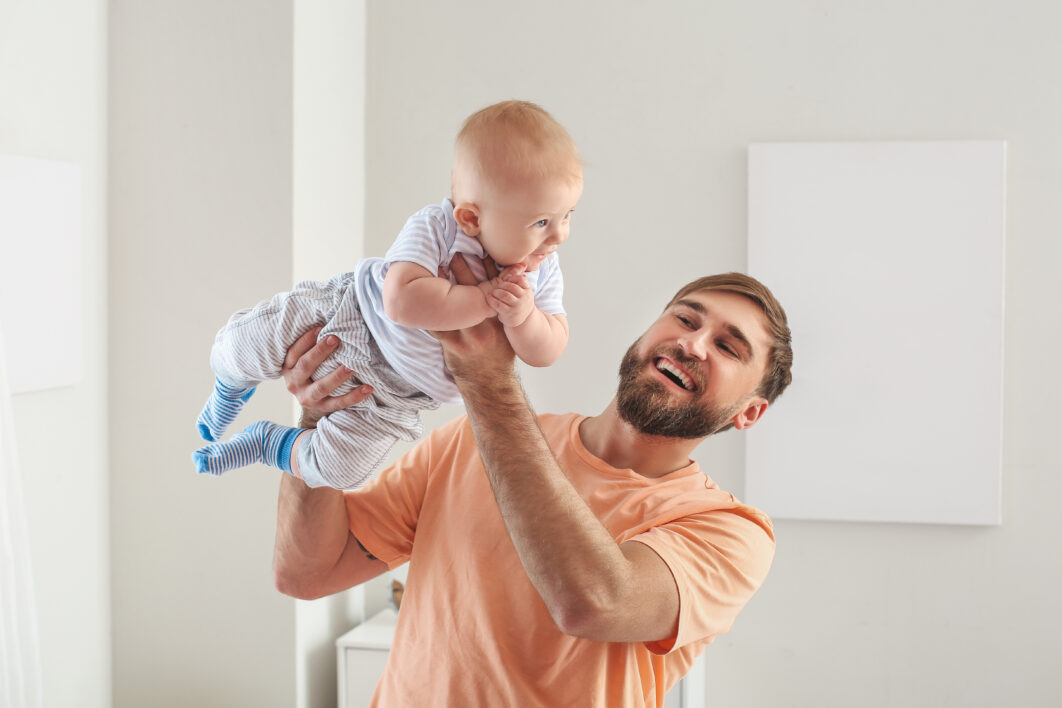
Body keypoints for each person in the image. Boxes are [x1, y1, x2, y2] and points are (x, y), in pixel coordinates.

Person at [273, 256, 794, 707]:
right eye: (685, 318)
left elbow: (593, 602)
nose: (694, 343)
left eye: (729, 347)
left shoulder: (730, 532)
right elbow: (306, 573)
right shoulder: (469, 442)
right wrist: (319, 423)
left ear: (748, 414)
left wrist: (488, 380)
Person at [192, 100, 583, 489]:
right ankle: (230, 386)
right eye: (542, 222)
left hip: (393, 396)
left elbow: (548, 348)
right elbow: (401, 301)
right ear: (471, 218)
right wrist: (482, 299)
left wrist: (524, 318)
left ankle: (265, 444)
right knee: (245, 345)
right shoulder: (440, 228)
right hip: (349, 322)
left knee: (341, 472)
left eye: (567, 215)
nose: (560, 235)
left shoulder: (541, 269)